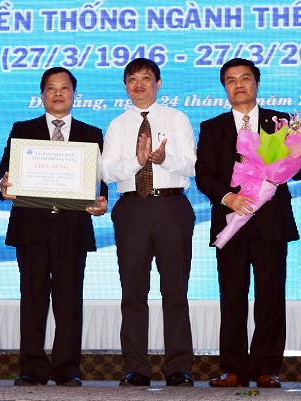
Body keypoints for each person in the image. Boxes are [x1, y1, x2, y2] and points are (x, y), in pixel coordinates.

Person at [195, 58, 301, 388]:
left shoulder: (279, 122)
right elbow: (204, 176)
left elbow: (299, 168)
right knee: (232, 296)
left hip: (271, 221)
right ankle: (233, 368)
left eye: (245, 78)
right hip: (231, 222)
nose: (238, 85)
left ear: (257, 83)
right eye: (231, 80)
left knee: (270, 296)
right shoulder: (212, 127)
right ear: (224, 88)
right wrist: (228, 198)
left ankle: (267, 368)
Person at [0, 66, 108, 387]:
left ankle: (67, 368)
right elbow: (4, 172)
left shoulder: (91, 133)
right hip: (31, 228)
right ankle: (31, 367)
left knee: (69, 300)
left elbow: (97, 182)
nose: (58, 94)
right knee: (32, 299)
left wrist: (100, 200)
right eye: (51, 88)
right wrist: (4, 183)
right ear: (42, 95)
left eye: (65, 88)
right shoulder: (22, 129)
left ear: (74, 95)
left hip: (71, 229)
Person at [101, 58, 196, 387]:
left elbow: (192, 165)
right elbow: (106, 171)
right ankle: (136, 368)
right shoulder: (117, 125)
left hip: (172, 206)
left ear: (159, 83)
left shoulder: (176, 118)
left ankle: (179, 368)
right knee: (133, 291)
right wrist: (137, 162)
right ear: (125, 86)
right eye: (132, 79)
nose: (138, 84)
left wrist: (163, 158)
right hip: (132, 210)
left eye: (146, 78)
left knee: (175, 291)